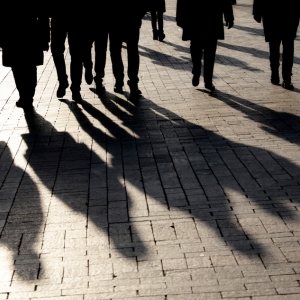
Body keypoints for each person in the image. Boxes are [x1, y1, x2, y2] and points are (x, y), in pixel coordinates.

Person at [176, 0, 234, 91]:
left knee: (197, 45)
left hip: (196, 14)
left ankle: (198, 70)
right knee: (208, 48)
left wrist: (179, 17)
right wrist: (229, 15)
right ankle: (206, 79)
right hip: (210, 14)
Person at [0, 10, 50, 109]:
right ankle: (28, 94)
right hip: (30, 33)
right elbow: (43, 16)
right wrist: (45, 37)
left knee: (17, 67)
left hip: (12, 33)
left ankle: (24, 94)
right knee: (29, 66)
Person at [253, 0, 300, 90]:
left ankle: (281, 76)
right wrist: (257, 10)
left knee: (279, 45)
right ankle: (282, 76)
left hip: (279, 12)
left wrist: (256, 11)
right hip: (282, 12)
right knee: (284, 46)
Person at [50, 2, 92, 101]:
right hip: (63, 13)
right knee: (58, 51)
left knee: (75, 52)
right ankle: (66, 82)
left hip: (75, 14)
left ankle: (74, 87)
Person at [92, 1, 125, 94]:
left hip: (100, 17)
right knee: (115, 51)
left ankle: (99, 78)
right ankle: (119, 81)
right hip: (115, 17)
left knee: (100, 51)